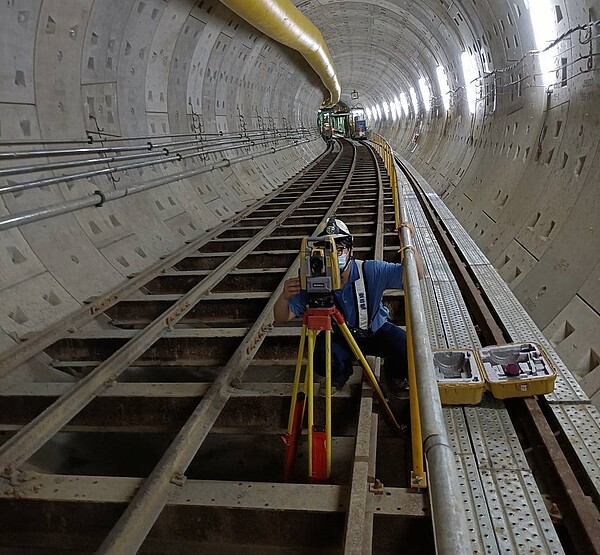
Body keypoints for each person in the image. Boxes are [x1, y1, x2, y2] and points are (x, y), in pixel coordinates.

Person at [273, 217, 424, 397]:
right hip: (340, 337)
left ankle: (395, 375)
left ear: (350, 250)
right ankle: (339, 374)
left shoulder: (371, 271)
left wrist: (409, 245)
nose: (335, 255)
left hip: (375, 332)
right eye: (328, 249)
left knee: (409, 348)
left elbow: (416, 275)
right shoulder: (313, 281)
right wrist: (284, 297)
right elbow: (282, 317)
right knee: (321, 354)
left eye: (340, 248)